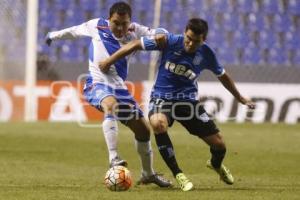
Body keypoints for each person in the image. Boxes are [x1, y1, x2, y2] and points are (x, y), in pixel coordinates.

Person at [99, 18, 256, 191]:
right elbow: (135, 44)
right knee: (158, 124)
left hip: (188, 102)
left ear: (204, 40)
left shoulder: (207, 54)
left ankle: (215, 164)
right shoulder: (170, 41)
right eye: (188, 38)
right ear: (184, 33)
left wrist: (240, 97)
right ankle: (178, 174)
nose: (190, 43)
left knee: (219, 145)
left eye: (196, 41)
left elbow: (223, 76)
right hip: (162, 97)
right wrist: (109, 61)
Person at [45, 1, 171, 187]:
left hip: (120, 89)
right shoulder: (97, 25)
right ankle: (113, 157)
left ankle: (148, 174)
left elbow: (162, 33)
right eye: (116, 23)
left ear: (130, 22)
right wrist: (53, 35)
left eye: (124, 24)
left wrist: (161, 33)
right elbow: (73, 31)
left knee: (143, 130)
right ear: (109, 19)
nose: (120, 28)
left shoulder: (136, 30)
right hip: (97, 84)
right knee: (110, 105)